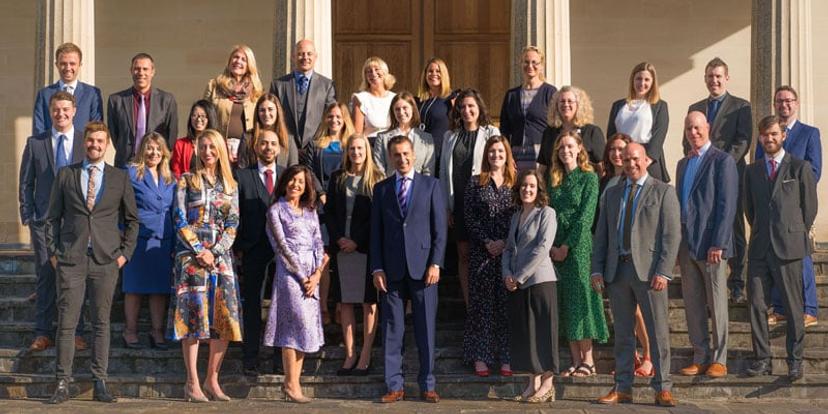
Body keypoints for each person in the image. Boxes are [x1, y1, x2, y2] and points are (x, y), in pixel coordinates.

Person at [45, 121, 139, 404]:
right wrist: (54, 253)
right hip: (71, 259)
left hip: (105, 260)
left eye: (100, 141)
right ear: (83, 142)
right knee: (67, 324)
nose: (94, 145)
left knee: (101, 323)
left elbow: (132, 220)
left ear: (106, 144)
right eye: (90, 140)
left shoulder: (119, 178)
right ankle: (62, 382)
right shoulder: (66, 174)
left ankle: (100, 382)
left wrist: (124, 254)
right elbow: (51, 218)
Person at [591, 143, 680, 407]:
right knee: (623, 333)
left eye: (635, 159)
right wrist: (597, 269)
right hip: (617, 271)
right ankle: (623, 387)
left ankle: (662, 387)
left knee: (658, 332)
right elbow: (602, 236)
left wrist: (664, 271)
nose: (631, 164)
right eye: (627, 160)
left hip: (650, 274)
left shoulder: (663, 191)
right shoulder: (612, 194)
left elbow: (671, 235)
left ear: (647, 160)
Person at [371, 135, 447, 404]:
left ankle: (428, 385)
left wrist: (436, 263)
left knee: (425, 330)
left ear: (414, 155)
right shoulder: (381, 189)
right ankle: (394, 385)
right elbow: (376, 233)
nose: (402, 159)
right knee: (392, 330)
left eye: (406, 154)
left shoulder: (431, 185)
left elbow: (440, 230)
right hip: (391, 271)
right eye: (396, 155)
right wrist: (377, 268)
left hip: (424, 269)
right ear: (390, 158)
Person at [168, 129, 242, 403]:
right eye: (203, 147)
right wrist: (199, 249)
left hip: (221, 257)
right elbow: (178, 218)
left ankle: (212, 379)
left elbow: (233, 222)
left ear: (220, 150)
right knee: (194, 316)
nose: (207, 152)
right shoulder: (187, 180)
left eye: (212, 147)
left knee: (224, 316)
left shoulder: (231, 185)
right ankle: (192, 382)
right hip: (191, 255)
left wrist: (216, 251)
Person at [744, 115, 818, 382]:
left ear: (783, 135)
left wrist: (791, 232)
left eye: (774, 134)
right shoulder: (751, 171)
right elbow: (750, 209)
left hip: (789, 247)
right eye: (765, 134)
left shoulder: (799, 167)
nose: (769, 138)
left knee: (793, 306)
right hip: (760, 248)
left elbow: (809, 209)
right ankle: (762, 359)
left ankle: (794, 361)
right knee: (756, 305)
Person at [19, 91, 88, 353]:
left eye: (66, 109)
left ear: (74, 111)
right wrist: (28, 215)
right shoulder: (35, 143)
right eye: (56, 110)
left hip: (75, 220)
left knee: (74, 276)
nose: (61, 114)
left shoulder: (84, 141)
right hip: (43, 220)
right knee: (46, 274)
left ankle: (76, 332)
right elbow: (26, 182)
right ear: (50, 112)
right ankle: (43, 332)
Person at [675, 111, 739, 378]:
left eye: (698, 127)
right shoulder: (683, 164)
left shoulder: (722, 161)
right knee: (692, 304)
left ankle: (720, 359)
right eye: (689, 128)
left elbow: (727, 204)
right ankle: (700, 356)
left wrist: (719, 243)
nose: (694, 133)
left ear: (708, 127)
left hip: (712, 245)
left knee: (717, 303)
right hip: (687, 245)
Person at [263, 165, 329, 403]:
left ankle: (292, 383)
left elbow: (318, 241)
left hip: (312, 273)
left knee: (304, 327)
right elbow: (281, 247)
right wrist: (302, 277)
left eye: (301, 181)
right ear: (284, 182)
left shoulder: (310, 211)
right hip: (290, 275)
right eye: (292, 180)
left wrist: (317, 274)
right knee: (292, 328)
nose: (296, 185)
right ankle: (291, 384)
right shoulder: (276, 210)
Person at [688, 57, 752, 304]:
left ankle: (737, 282)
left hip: (730, 174)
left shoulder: (740, 107)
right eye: (710, 76)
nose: (714, 80)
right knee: (703, 223)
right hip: (700, 177)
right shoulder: (696, 107)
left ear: (727, 78)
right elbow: (688, 140)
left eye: (718, 76)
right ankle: (708, 282)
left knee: (734, 228)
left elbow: (743, 141)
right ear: (705, 78)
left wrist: (719, 164)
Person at [758, 86, 822, 328]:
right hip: (772, 209)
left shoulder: (809, 133)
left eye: (788, 100)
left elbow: (814, 171)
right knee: (775, 257)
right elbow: (759, 167)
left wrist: (791, 190)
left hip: (796, 207)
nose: (783, 105)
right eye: (779, 101)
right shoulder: (767, 133)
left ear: (796, 103)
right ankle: (781, 308)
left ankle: (809, 308)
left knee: (801, 257)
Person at [547, 131, 608, 377]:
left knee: (582, 300)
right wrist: (553, 246)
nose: (565, 151)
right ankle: (574, 360)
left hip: (579, 248)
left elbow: (585, 218)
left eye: (570, 146)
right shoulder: (554, 179)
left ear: (579, 148)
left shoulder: (589, 178)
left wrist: (566, 246)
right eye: (561, 147)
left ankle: (588, 360)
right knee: (565, 301)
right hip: (556, 246)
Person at [325, 134, 384, 376]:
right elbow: (329, 212)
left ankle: (366, 354)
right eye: (352, 148)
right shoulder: (337, 178)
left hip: (365, 249)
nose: (356, 152)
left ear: (367, 151)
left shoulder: (376, 178)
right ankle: (350, 354)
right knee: (346, 301)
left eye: (360, 148)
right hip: (342, 249)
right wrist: (339, 237)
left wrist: (357, 241)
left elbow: (377, 217)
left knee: (368, 302)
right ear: (347, 151)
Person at [599, 133, 654, 378]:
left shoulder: (640, 181)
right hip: (614, 256)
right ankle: (630, 357)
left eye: (622, 149)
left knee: (638, 311)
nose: (617, 154)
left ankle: (649, 356)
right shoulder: (607, 181)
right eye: (612, 149)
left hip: (636, 259)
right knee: (622, 313)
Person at [440, 88, 500, 307]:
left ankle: (488, 304)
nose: (467, 110)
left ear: (479, 108)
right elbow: (443, 173)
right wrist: (446, 207)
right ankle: (470, 306)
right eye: (463, 107)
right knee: (463, 254)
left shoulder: (491, 132)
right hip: (459, 202)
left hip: (484, 203)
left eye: (471, 106)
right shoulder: (450, 136)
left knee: (486, 253)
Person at [463, 136, 517, 377]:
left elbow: (521, 217)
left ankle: (507, 357)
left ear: (507, 154)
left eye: (500, 151)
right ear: (486, 154)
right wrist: (487, 241)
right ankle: (480, 356)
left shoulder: (515, 184)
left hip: (508, 253)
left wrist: (505, 242)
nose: (496, 155)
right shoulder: (475, 182)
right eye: (492, 151)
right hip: (482, 253)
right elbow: (469, 217)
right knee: (482, 306)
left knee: (506, 306)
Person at [502, 169, 558, 403]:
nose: (527, 189)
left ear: (539, 189)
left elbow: (543, 248)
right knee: (527, 334)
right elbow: (508, 248)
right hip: (517, 283)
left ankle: (547, 384)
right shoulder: (516, 216)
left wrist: (520, 276)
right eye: (524, 185)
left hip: (539, 281)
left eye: (532, 186)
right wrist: (507, 274)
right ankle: (532, 383)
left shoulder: (547, 213)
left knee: (543, 333)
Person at [234, 129, 284, 376]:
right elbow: (235, 213)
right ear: (256, 147)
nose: (268, 147)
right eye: (264, 143)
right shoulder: (242, 176)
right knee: (252, 305)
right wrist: (238, 247)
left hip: (283, 253)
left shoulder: (288, 175)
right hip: (253, 250)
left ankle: (280, 359)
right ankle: (250, 357)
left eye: (273, 143)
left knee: (281, 305)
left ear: (279, 148)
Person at [122, 133, 176, 351]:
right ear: (142, 150)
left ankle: (157, 331)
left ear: (164, 152)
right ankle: (130, 331)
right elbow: (120, 204)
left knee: (159, 289)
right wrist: (121, 233)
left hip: (163, 240)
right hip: (138, 239)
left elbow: (174, 210)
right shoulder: (130, 173)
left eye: (158, 149)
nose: (154, 153)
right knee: (134, 288)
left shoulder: (171, 178)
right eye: (150, 148)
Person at [108, 52, 178, 168]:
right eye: (137, 69)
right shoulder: (116, 100)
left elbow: (171, 136)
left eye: (145, 69)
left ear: (152, 72)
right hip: (125, 165)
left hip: (155, 165)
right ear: (131, 71)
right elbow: (115, 135)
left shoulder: (167, 100)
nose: (141, 73)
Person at [607, 62, 670, 182]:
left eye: (647, 80)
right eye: (638, 79)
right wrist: (618, 157)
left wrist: (646, 160)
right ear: (632, 80)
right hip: (622, 160)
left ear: (653, 82)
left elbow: (659, 135)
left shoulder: (660, 106)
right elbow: (611, 135)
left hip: (647, 162)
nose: (642, 83)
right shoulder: (618, 105)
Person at [204, 45, 263, 169]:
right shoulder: (214, 86)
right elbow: (204, 115)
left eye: (243, 59)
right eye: (235, 57)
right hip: (219, 146)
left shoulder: (256, 91)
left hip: (247, 149)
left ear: (249, 65)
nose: (238, 61)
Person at [270, 39, 336, 150]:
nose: (305, 57)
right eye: (300, 54)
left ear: (315, 57)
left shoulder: (327, 86)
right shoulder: (278, 85)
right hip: (285, 147)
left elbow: (331, 116)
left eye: (309, 54)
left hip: (316, 148)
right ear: (293, 57)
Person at [499, 46, 557, 169]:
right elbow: (504, 129)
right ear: (521, 64)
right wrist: (507, 155)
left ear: (541, 66)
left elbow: (556, 125)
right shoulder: (511, 95)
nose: (530, 66)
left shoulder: (550, 92)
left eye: (534, 62)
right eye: (526, 62)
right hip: (516, 154)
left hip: (542, 154)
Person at [33, 42, 103, 135]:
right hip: (51, 144)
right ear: (57, 65)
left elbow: (96, 130)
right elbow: (39, 129)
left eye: (72, 63)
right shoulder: (44, 94)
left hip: (82, 144)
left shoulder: (92, 93)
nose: (68, 68)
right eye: (63, 63)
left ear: (80, 65)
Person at [538, 86, 605, 177]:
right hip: (554, 183)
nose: (566, 104)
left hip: (584, 184)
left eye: (570, 101)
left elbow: (601, 167)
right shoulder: (549, 132)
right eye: (562, 101)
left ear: (579, 105)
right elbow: (543, 166)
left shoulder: (592, 132)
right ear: (556, 106)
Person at [374, 91, 436, 176]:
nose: (401, 112)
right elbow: (379, 170)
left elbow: (428, 171)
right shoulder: (382, 138)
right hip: (391, 183)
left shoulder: (426, 138)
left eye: (405, 108)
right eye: (397, 109)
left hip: (418, 184)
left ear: (412, 109)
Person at [416, 57, 456, 164]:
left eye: (438, 71)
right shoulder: (419, 100)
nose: (434, 74)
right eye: (430, 71)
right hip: (420, 152)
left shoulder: (452, 99)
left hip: (441, 152)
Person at [351, 56, 397, 145]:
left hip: (393, 144)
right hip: (371, 144)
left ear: (384, 72)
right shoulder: (361, 98)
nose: (373, 73)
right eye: (369, 71)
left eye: (377, 69)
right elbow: (357, 133)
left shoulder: (395, 98)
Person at [172, 100, 218, 178]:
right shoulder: (180, 144)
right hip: (188, 184)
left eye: (203, 116)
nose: (198, 119)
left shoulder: (218, 142)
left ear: (210, 117)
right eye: (194, 115)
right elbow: (176, 173)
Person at [252, 93, 299, 168]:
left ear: (277, 111)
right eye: (262, 110)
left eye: (270, 109)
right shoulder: (248, 138)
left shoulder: (288, 140)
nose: (266, 114)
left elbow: (294, 170)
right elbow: (242, 169)